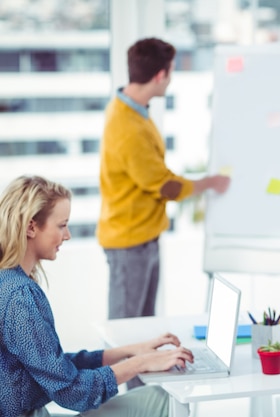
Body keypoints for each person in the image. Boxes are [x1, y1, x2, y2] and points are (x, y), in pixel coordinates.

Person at [0, 175, 195, 417]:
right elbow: (72, 392)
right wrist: (141, 363)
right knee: (160, 401)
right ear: (31, 227)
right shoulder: (19, 296)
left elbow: (54, 366)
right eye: (61, 225)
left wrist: (130, 351)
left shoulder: (8, 281)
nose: (68, 235)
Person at [97, 37, 230, 322]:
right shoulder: (128, 127)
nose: (170, 79)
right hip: (129, 241)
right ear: (160, 75)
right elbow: (166, 187)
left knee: (142, 324)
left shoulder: (133, 110)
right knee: (126, 328)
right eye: (171, 72)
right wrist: (209, 182)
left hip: (141, 235)